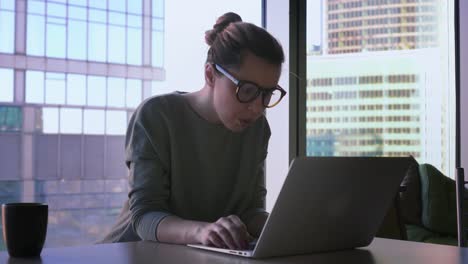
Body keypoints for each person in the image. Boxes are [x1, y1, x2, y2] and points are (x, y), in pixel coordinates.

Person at [100, 12, 286, 250]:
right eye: (247, 90)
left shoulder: (257, 129)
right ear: (210, 74)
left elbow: (249, 211)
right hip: (131, 252)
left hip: (200, 255)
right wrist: (203, 231)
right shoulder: (156, 116)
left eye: (267, 94)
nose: (257, 107)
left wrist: (290, 228)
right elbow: (144, 217)